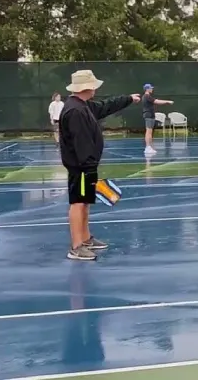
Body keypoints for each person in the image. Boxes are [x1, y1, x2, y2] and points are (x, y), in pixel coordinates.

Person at [59, 70, 140, 261]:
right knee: (78, 203)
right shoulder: (76, 111)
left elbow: (105, 107)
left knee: (85, 201)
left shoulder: (83, 106)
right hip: (80, 168)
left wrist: (128, 99)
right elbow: (82, 142)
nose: (96, 88)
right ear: (87, 87)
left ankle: (86, 239)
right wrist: (88, 168)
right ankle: (76, 246)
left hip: (86, 167)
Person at [142, 83, 174, 155]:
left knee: (150, 132)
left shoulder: (147, 97)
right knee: (149, 132)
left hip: (150, 115)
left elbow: (155, 100)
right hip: (149, 115)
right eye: (151, 88)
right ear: (147, 89)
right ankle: (147, 147)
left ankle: (150, 147)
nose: (152, 89)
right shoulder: (147, 96)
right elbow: (157, 101)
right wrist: (167, 101)